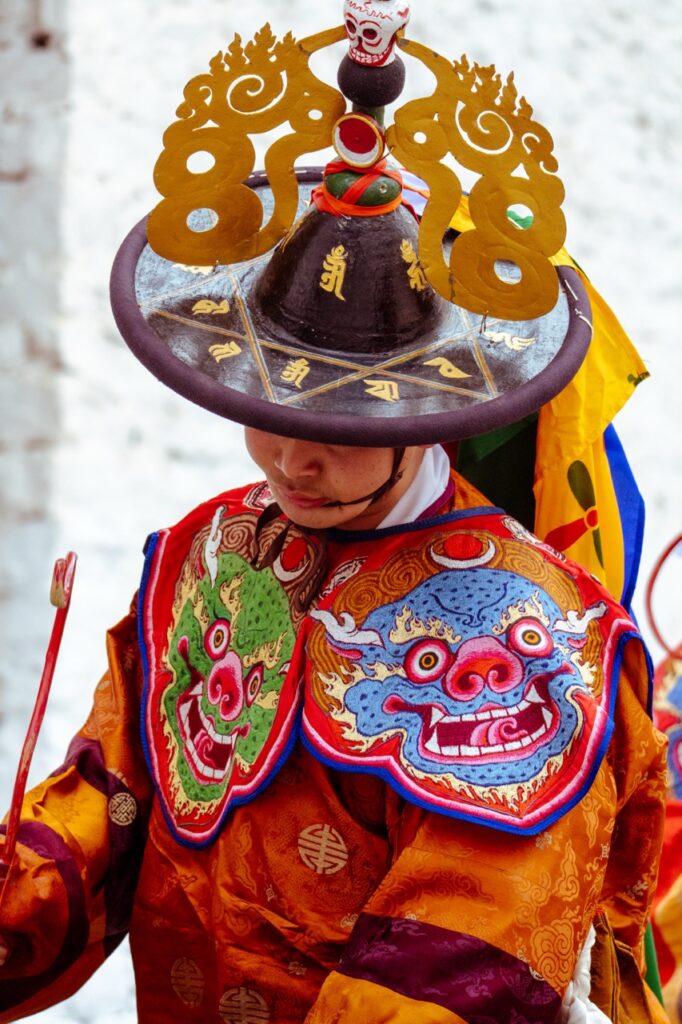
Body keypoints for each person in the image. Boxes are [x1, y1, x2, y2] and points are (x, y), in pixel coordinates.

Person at [0, 3, 671, 1021]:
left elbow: (463, 947)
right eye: (268, 418)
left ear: (426, 413)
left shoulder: (525, 633)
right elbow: (114, 791)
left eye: (337, 429)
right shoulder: (213, 549)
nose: (290, 460)